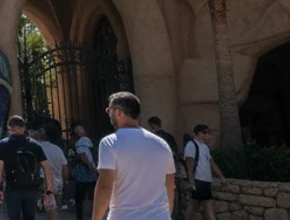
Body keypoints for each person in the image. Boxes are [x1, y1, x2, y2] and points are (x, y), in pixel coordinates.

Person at [93, 92, 176, 220]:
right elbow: (170, 185)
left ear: (119, 113)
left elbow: (105, 186)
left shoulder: (110, 143)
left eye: (110, 110)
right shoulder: (162, 144)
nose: (108, 112)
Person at [0, 116, 53, 220]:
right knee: (30, 217)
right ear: (23, 128)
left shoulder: (3, 145)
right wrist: (49, 189)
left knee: (13, 217)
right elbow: (46, 168)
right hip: (32, 187)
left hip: (12, 187)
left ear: (9, 127)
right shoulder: (35, 145)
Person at [183, 125, 226, 220]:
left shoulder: (205, 147)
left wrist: (221, 177)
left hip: (205, 180)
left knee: (195, 205)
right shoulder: (191, 145)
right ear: (198, 133)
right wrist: (191, 182)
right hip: (198, 180)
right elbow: (189, 164)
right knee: (206, 205)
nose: (208, 135)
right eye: (205, 132)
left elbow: (212, 163)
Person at [31, 129, 68, 220]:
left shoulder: (34, 149)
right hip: (57, 185)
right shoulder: (57, 149)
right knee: (54, 210)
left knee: (39, 213)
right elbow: (65, 168)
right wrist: (64, 182)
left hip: (42, 185)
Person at [72, 124, 100, 220]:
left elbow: (84, 155)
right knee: (90, 194)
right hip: (87, 172)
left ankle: (83, 216)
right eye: (79, 130)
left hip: (85, 172)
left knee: (82, 196)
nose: (81, 131)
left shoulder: (82, 141)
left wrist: (91, 166)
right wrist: (92, 167)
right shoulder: (84, 141)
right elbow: (84, 155)